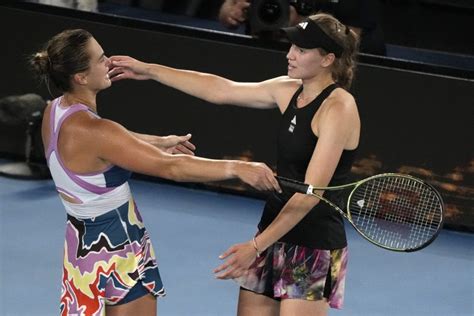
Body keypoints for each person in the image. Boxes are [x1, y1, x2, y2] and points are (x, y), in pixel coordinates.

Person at [109, 12, 360, 315]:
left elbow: (310, 194)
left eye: (301, 50)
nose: (289, 55)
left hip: (313, 245)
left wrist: (255, 247)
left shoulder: (339, 107)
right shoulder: (288, 88)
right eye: (292, 46)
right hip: (273, 227)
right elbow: (221, 89)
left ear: (327, 59)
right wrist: (149, 70)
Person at [30, 29, 281, 316]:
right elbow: (171, 167)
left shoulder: (56, 111)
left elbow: (109, 144)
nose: (109, 61)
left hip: (83, 245)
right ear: (81, 77)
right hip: (118, 247)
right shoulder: (97, 131)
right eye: (100, 59)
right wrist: (237, 167)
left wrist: (158, 142)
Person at [219, 0, 385, 55]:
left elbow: (349, 39)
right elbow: (227, 15)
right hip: (270, 52)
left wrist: (299, 24)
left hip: (353, 65)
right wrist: (232, 8)